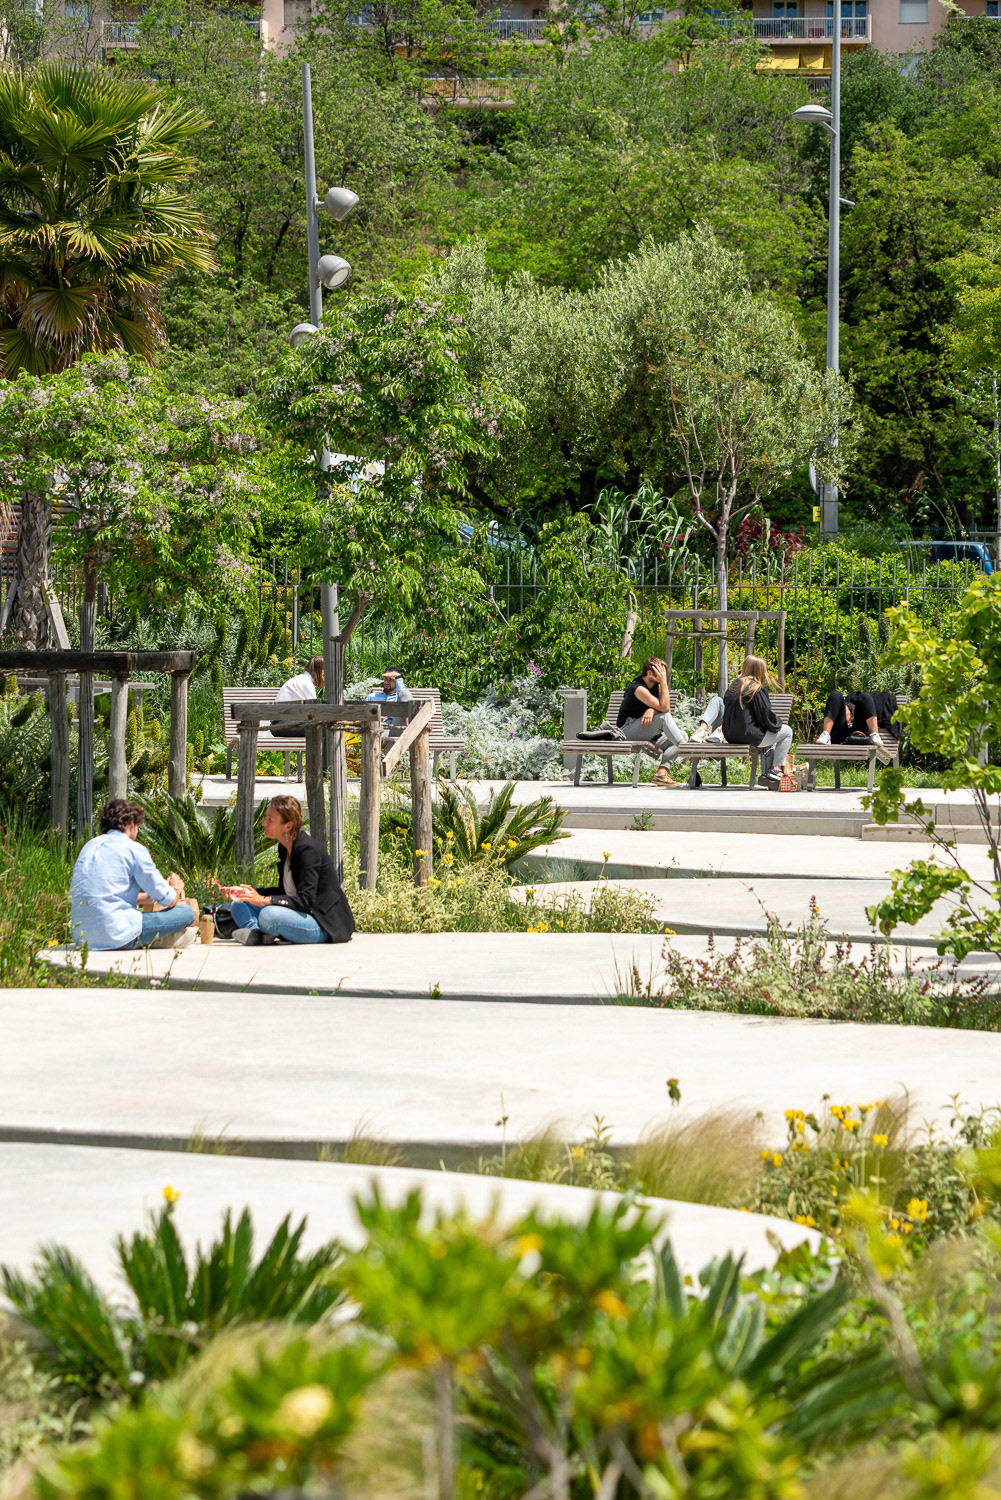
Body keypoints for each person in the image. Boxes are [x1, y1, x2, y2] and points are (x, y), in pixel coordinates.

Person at [223, 794, 355, 947]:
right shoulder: (285, 847)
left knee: (269, 915)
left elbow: (305, 900)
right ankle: (257, 933)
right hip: (298, 914)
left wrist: (265, 900)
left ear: (288, 826)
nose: (264, 823)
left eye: (270, 819)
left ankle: (260, 933)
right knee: (239, 904)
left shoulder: (308, 851)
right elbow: (285, 891)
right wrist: (247, 893)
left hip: (322, 924)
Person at [69, 799, 197, 951]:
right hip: (117, 934)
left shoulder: (89, 846)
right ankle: (158, 939)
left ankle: (158, 938)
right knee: (186, 913)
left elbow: (105, 893)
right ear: (131, 823)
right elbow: (169, 900)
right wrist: (175, 888)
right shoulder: (133, 849)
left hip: (81, 936)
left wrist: (146, 898)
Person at [694, 655, 793, 787]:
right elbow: (766, 717)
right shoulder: (756, 689)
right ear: (760, 670)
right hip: (749, 736)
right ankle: (776, 770)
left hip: (730, 736)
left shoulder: (733, 687)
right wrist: (778, 724)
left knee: (772, 735)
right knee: (787, 732)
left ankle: (769, 773)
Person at [614, 658, 690, 788]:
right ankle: (689, 752)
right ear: (650, 673)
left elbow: (664, 708)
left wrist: (652, 710)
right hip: (626, 732)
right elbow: (665, 710)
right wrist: (663, 682)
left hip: (646, 731)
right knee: (664, 718)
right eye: (660, 673)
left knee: (683, 735)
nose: (663, 676)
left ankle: (662, 772)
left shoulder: (655, 685)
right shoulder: (638, 688)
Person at [816, 689, 897, 761]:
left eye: (845, 709)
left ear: (852, 714)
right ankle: (826, 734)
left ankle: (875, 735)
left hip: (860, 736)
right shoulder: (840, 719)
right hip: (839, 737)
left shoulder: (858, 715)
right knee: (835, 694)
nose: (842, 712)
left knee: (864, 695)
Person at [270, 656, 324, 740]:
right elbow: (314, 712)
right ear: (322, 672)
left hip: (281, 724)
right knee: (324, 729)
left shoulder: (302, 679)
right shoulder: (306, 683)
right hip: (282, 726)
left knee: (321, 728)